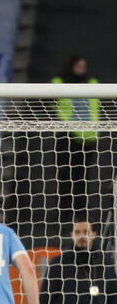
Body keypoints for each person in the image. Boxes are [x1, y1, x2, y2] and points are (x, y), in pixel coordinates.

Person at [52, 55, 105, 219]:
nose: (82, 69)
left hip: (88, 137)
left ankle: (80, 216)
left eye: (84, 65)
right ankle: (64, 215)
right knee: (65, 175)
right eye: (79, 65)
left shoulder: (92, 83)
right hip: (66, 135)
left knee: (82, 177)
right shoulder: (58, 82)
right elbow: (49, 105)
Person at [41, 217, 117, 304]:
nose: (82, 236)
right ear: (72, 235)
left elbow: (113, 295)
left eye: (86, 231)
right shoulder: (58, 263)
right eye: (77, 232)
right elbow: (45, 300)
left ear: (94, 234)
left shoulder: (105, 262)